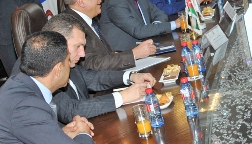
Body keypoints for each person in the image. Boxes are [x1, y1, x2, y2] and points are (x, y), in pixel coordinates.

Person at [12, 14, 155, 123]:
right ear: (60, 42)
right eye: (78, 46)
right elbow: (70, 110)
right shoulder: (41, 66)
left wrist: (130, 76)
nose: (82, 54)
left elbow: (92, 78)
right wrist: (123, 96)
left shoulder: (62, 57)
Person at [62, 0, 156, 72]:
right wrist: (134, 54)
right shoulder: (70, 26)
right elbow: (92, 64)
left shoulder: (88, 19)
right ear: (80, 1)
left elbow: (106, 55)